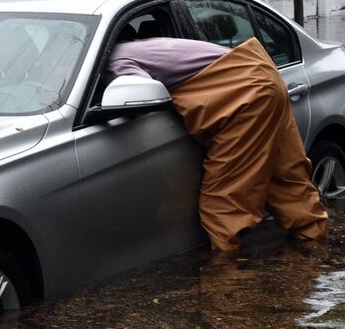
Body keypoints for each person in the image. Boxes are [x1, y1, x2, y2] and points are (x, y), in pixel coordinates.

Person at [106, 36, 328, 251]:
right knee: (287, 181)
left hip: (244, 95)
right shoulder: (139, 47)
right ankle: (317, 252)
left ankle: (226, 281)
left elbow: (143, 100)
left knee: (223, 204)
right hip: (263, 73)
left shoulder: (115, 62)